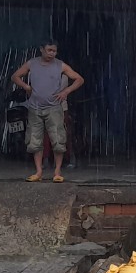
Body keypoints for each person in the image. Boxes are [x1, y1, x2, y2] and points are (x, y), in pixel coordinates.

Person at [11, 42, 84, 182]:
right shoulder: (32, 64)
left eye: (54, 51)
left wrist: (66, 91)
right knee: (35, 140)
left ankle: (57, 172)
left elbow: (79, 79)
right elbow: (15, 76)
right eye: (49, 50)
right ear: (41, 50)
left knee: (58, 140)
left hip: (54, 108)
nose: (51, 53)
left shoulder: (60, 65)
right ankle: (38, 172)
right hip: (34, 108)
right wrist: (26, 86)